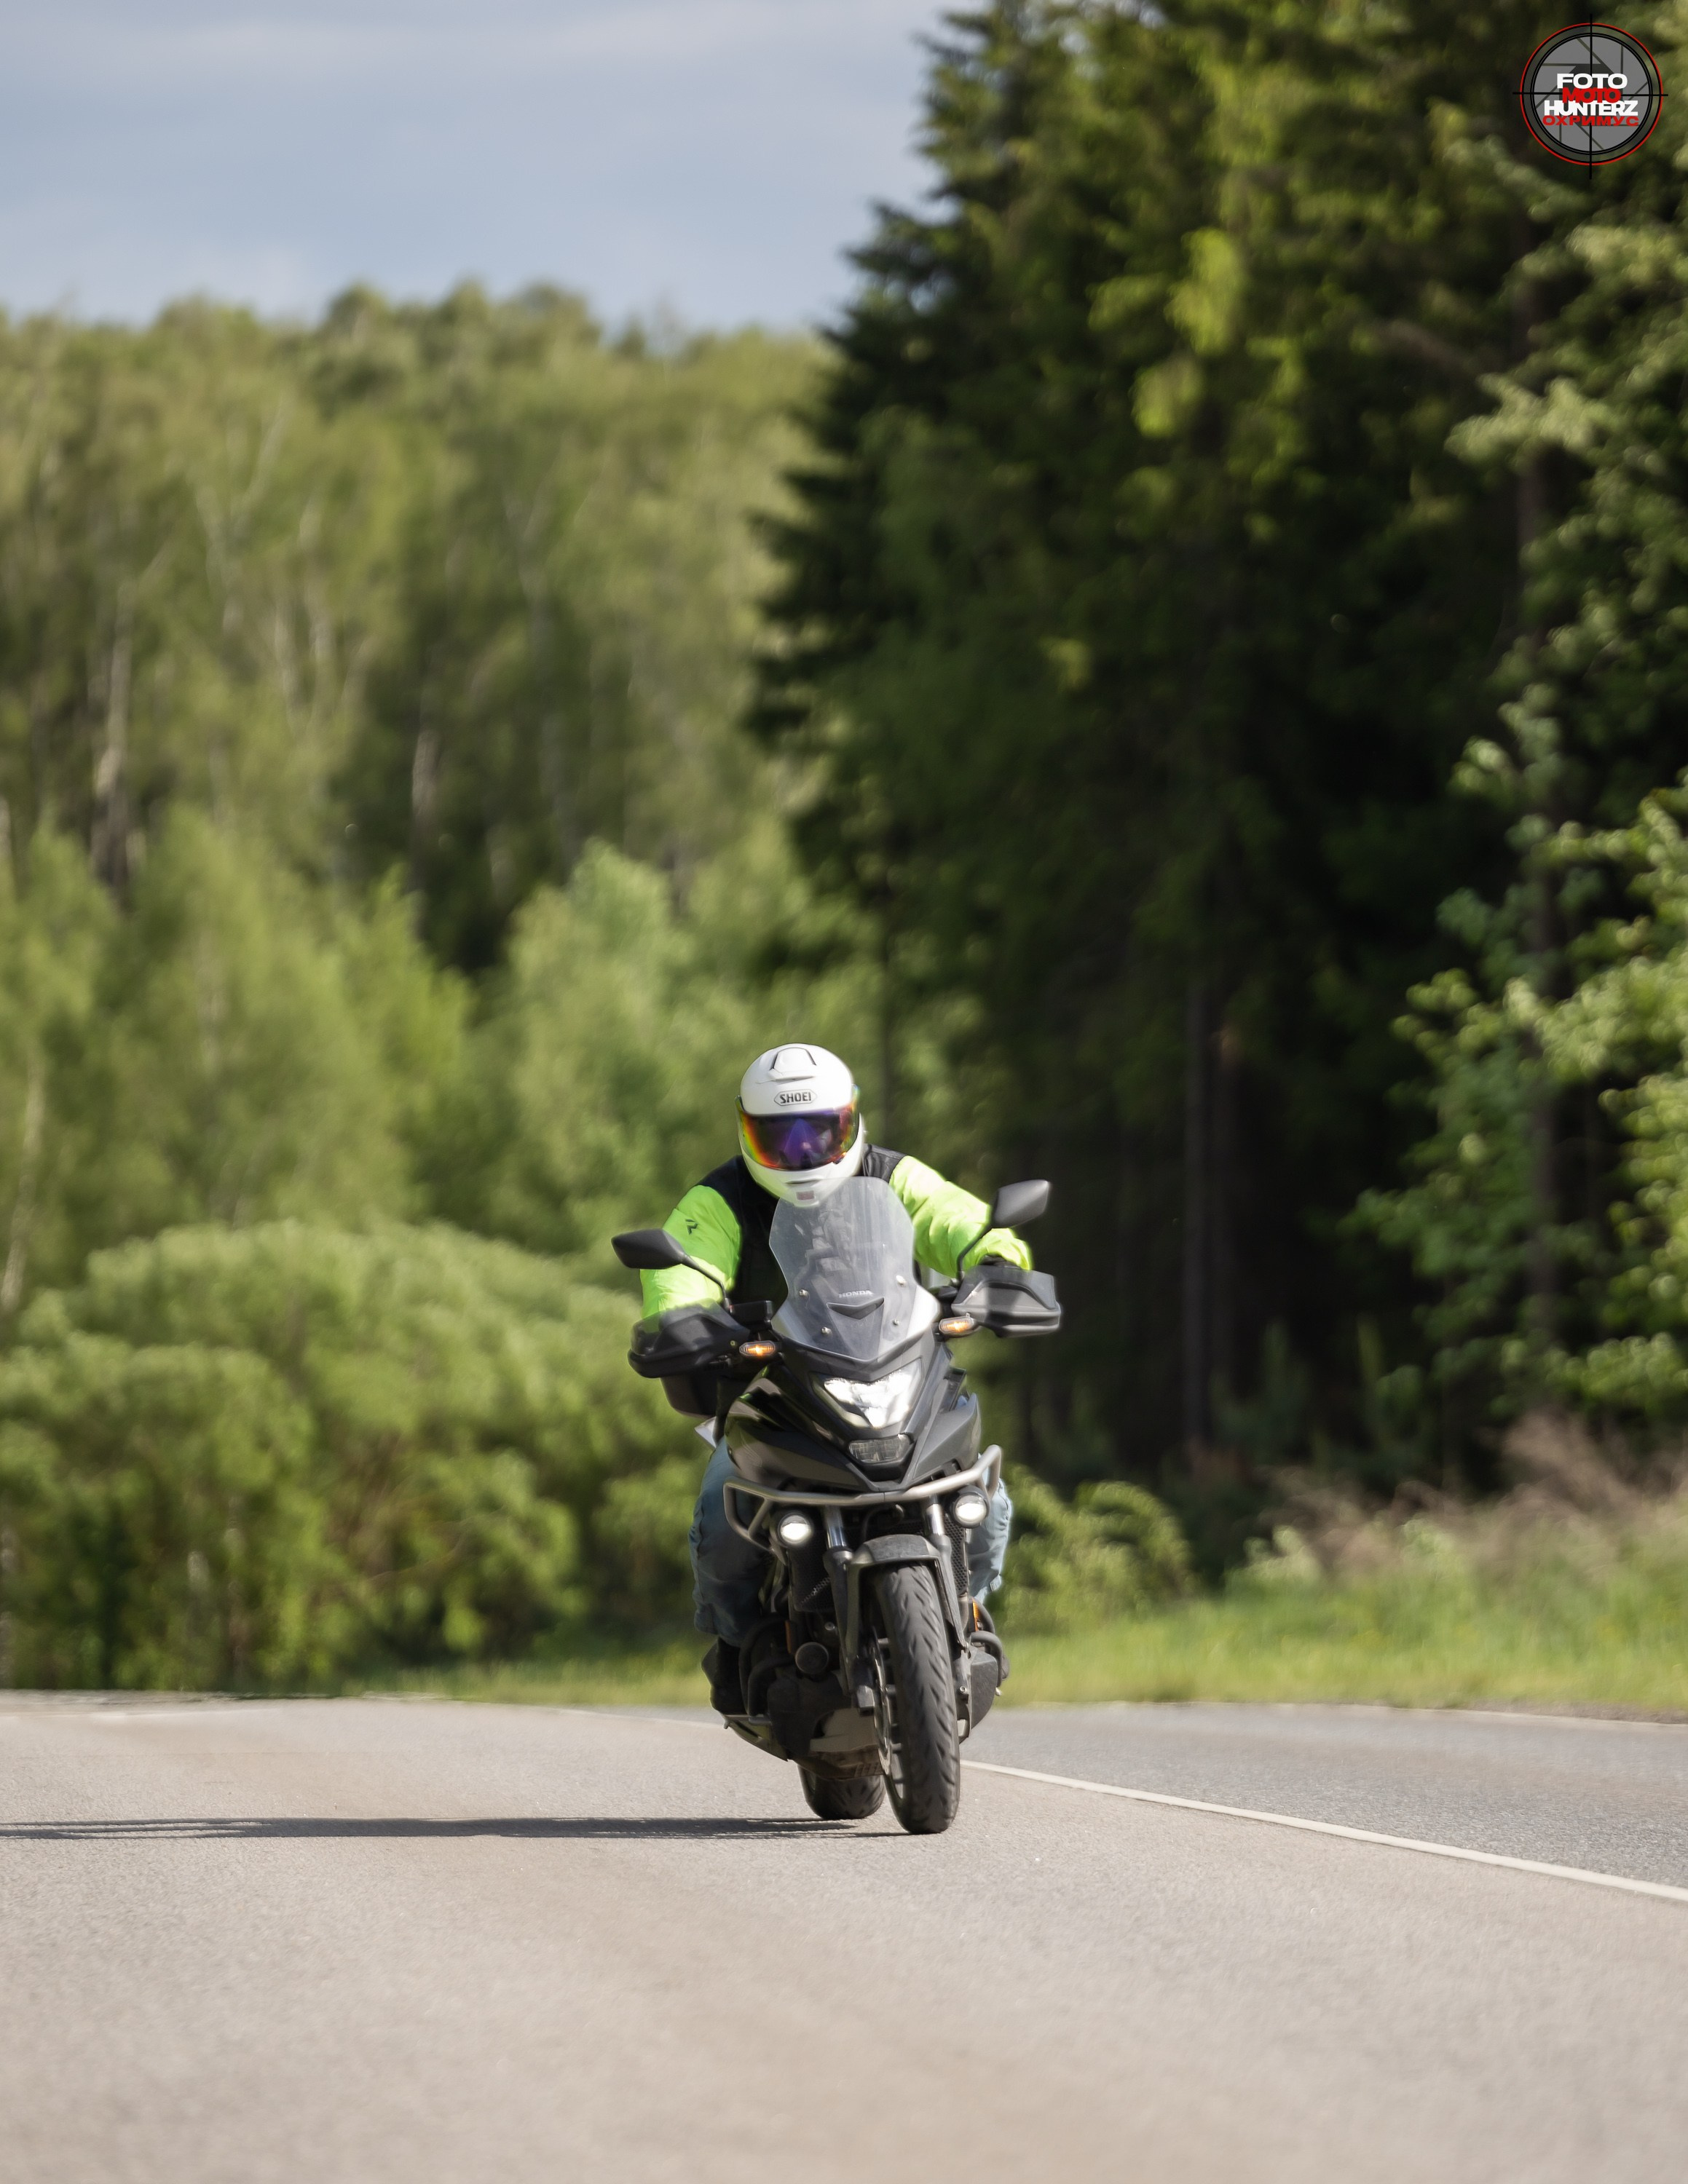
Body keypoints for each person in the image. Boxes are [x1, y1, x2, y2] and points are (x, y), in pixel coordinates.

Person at [636, 1042, 1029, 1713]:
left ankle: (959, 1611)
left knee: (984, 1505)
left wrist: (997, 1259)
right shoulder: (719, 1200)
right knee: (719, 1515)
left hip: (901, 1375)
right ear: (746, 1129)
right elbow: (683, 1267)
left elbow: (954, 1218)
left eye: (817, 1131)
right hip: (778, 1395)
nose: (800, 1150)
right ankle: (737, 1645)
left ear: (849, 1124)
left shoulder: (895, 1177)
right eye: (779, 1135)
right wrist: (684, 1320)